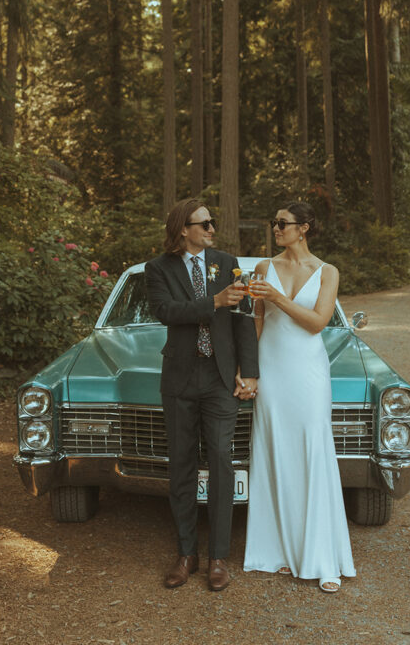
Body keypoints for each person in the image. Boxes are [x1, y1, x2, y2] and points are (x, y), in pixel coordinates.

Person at [145, 198, 259, 592]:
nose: (212, 228)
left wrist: (251, 372)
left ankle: (218, 558)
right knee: (181, 464)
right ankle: (186, 554)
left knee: (223, 461)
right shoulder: (157, 268)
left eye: (212, 222)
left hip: (220, 378)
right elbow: (166, 311)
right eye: (204, 223)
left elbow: (243, 319)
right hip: (179, 378)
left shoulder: (227, 262)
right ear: (183, 230)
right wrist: (212, 302)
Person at [243, 201, 356, 593]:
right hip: (271, 369)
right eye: (274, 222)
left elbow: (317, 323)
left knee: (311, 451)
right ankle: (278, 552)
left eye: (283, 223)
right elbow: (256, 320)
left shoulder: (327, 272)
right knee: (275, 452)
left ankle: (322, 558)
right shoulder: (262, 267)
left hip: (307, 372)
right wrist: (249, 370)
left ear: (304, 228)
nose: (276, 228)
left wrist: (277, 298)